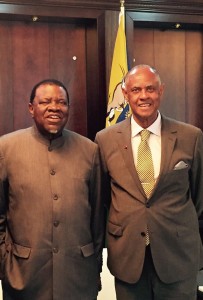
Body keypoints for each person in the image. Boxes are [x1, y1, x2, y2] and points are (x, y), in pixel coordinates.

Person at [95, 64, 203, 300]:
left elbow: (199, 197)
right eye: (136, 90)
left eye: (150, 89)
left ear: (161, 91)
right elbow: (103, 199)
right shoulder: (105, 140)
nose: (144, 96)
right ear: (125, 94)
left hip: (178, 255)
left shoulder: (190, 137)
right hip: (128, 257)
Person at [0, 79, 104, 300]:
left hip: (78, 276)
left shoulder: (90, 151)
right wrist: (4, 261)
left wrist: (95, 265)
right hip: (24, 276)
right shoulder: (6, 149)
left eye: (61, 102)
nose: (54, 107)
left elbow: (97, 216)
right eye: (45, 101)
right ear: (31, 108)